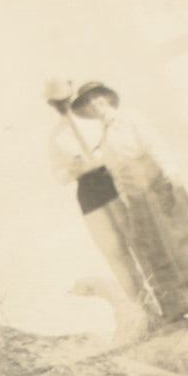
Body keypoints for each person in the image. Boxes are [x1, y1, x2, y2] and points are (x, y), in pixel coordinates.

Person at [65, 81, 188, 319]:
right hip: (136, 195)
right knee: (153, 246)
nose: (95, 106)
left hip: (155, 182)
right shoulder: (106, 136)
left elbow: (154, 145)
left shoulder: (130, 118)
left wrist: (170, 172)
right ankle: (180, 305)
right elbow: (116, 171)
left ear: (108, 99)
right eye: (89, 104)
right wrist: (126, 198)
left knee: (178, 238)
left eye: (98, 99)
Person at [45, 79, 155, 317]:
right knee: (114, 252)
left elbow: (122, 147)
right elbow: (58, 173)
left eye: (66, 100)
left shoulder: (97, 122)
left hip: (115, 182)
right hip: (89, 194)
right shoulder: (57, 136)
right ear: (52, 105)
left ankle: (165, 299)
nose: (64, 106)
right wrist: (73, 169)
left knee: (139, 242)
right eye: (57, 104)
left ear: (73, 96)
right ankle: (145, 311)